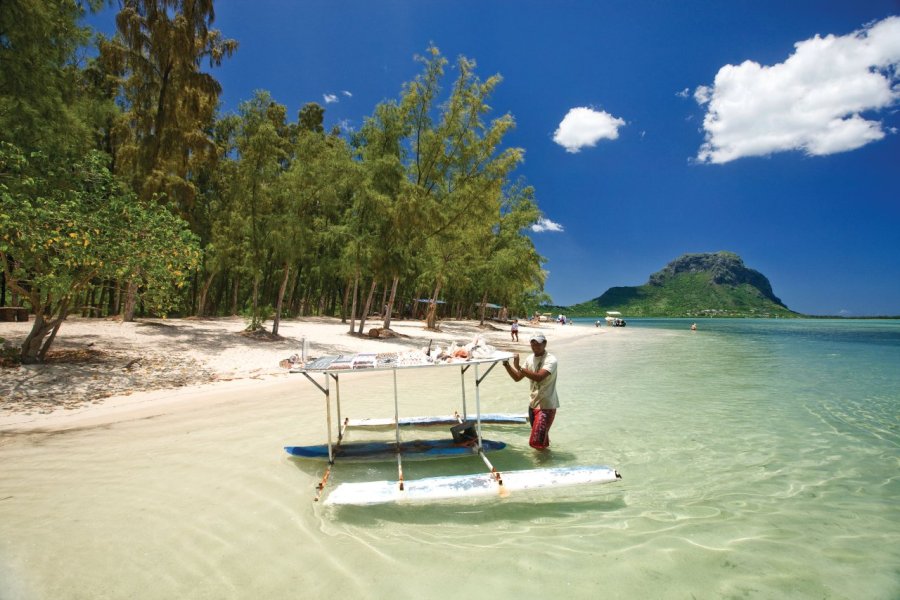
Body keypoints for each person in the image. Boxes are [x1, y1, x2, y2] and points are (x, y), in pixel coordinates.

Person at [503, 333, 559, 450]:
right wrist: (506, 364)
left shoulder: (551, 360)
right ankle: (546, 460)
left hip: (546, 406)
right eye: (532, 343)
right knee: (541, 439)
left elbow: (539, 377)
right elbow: (517, 377)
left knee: (536, 442)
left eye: (538, 343)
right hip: (533, 405)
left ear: (545, 343)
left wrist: (519, 367)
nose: (535, 346)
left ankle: (540, 463)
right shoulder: (529, 358)